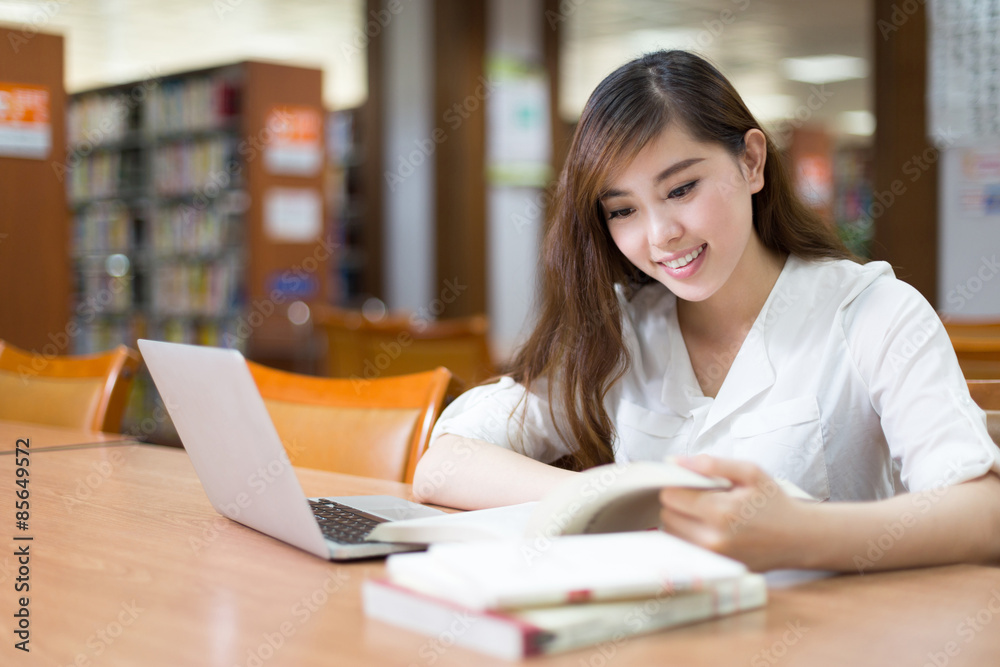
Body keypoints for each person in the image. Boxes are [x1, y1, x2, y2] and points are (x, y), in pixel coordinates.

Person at [413, 50, 1000, 572]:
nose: (660, 235)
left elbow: (984, 513)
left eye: (680, 189)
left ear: (750, 162)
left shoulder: (873, 312)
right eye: (622, 211)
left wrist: (800, 536)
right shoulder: (619, 330)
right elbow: (443, 463)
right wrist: (612, 493)